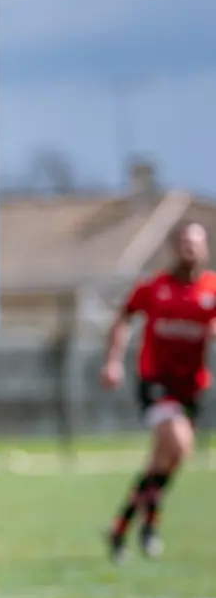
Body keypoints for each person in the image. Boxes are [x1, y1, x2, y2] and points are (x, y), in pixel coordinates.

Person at [101, 222, 216, 562]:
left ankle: (123, 526)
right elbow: (123, 316)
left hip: (190, 387)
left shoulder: (211, 289)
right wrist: (113, 361)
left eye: (196, 243)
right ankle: (143, 528)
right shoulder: (155, 287)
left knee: (165, 462)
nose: (190, 248)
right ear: (174, 247)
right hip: (156, 383)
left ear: (206, 249)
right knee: (178, 444)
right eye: (184, 242)